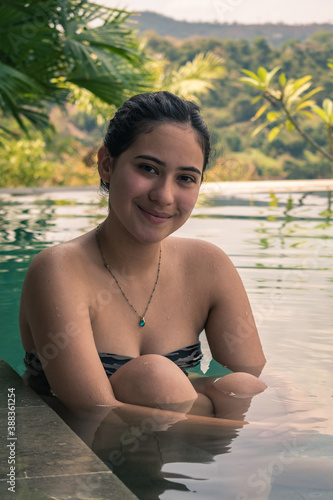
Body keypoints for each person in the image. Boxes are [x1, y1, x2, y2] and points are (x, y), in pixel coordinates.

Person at [20, 91, 267, 420]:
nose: (164, 196)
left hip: (181, 444)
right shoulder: (59, 270)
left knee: (242, 385)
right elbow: (96, 413)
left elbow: (257, 379)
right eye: (148, 169)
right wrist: (254, 440)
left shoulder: (208, 266)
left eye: (185, 178)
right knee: (155, 377)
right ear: (107, 165)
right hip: (92, 450)